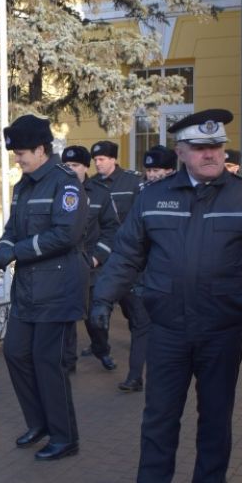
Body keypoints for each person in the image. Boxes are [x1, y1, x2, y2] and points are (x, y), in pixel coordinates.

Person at [90, 109, 242, 483]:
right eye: (200, 148)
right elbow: (127, 254)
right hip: (168, 331)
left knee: (215, 419)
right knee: (159, 419)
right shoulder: (153, 197)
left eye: (216, 146)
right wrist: (103, 297)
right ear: (180, 152)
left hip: (221, 331)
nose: (211, 154)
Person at [0, 115, 88, 461]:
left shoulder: (65, 183)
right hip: (28, 289)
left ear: (40, 150)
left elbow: (65, 235)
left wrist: (16, 252)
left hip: (58, 288)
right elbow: (12, 230)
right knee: (16, 353)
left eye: (21, 154)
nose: (17, 160)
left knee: (48, 362)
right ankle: (39, 423)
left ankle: (64, 437)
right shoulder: (24, 186)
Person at [87, 141, 150, 390]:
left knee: (135, 314)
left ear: (114, 159)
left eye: (102, 159)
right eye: (95, 160)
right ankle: (101, 348)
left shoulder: (133, 182)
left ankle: (137, 366)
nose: (98, 163)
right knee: (97, 310)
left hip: (129, 259)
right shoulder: (91, 185)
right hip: (103, 259)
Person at [60, 144, 119, 373]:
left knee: (95, 319)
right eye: (66, 165)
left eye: (75, 165)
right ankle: (68, 362)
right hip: (63, 266)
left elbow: (112, 229)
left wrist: (96, 258)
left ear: (86, 167)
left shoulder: (100, 193)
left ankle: (102, 350)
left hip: (91, 267)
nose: (70, 169)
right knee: (66, 318)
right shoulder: (56, 191)